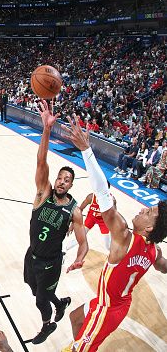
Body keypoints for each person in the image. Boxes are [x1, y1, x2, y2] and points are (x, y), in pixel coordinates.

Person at [61, 115, 167, 352]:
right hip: (116, 303)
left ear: (149, 227)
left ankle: (82, 347)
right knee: (76, 318)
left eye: (148, 212)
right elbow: (163, 266)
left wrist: (87, 150)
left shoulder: (123, 236)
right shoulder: (153, 250)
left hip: (107, 308)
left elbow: (102, 192)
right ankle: (83, 343)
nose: (142, 208)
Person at [24, 100, 88, 344]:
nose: (61, 182)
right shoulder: (43, 194)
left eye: (66, 180)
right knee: (33, 287)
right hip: (32, 255)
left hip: (51, 262)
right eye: (59, 178)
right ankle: (59, 302)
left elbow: (83, 242)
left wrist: (80, 257)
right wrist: (46, 129)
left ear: (71, 185)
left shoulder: (74, 211)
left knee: (40, 300)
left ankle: (47, 324)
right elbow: (41, 162)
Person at [64, 182, 116, 252]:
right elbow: (80, 210)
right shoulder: (91, 197)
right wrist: (72, 225)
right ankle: (65, 250)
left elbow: (114, 215)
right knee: (81, 236)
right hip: (91, 217)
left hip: (103, 221)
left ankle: (114, 256)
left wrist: (114, 205)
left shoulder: (110, 200)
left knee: (107, 245)